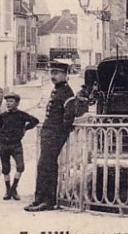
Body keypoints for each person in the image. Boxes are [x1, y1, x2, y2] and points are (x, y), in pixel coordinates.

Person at [25, 60, 88, 212]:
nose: (53, 76)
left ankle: (46, 201)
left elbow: (68, 117)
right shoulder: (57, 90)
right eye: (52, 73)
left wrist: (60, 133)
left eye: (56, 73)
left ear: (65, 75)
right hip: (49, 132)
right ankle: (41, 199)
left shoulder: (66, 92)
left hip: (55, 134)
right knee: (46, 166)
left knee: (46, 166)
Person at [0, 92, 39, 201]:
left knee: (20, 166)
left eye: (11, 101)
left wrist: (25, 128)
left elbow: (35, 121)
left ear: (17, 103)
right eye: (7, 101)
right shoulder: (2, 116)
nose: (8, 104)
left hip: (16, 145)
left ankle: (14, 189)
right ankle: (8, 190)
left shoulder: (21, 115)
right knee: (6, 168)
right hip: (3, 145)